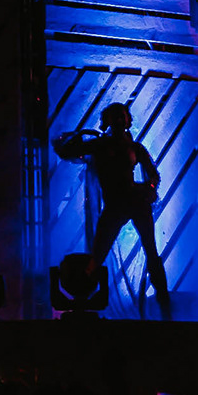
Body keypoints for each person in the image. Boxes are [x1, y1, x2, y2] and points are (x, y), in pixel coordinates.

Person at [55, 102, 174, 321]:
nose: (119, 121)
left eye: (122, 116)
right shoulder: (100, 145)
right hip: (116, 205)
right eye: (115, 117)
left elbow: (154, 175)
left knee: (150, 252)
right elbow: (65, 151)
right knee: (98, 254)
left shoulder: (135, 148)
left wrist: (149, 188)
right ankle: (82, 304)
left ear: (128, 121)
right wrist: (76, 138)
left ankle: (165, 309)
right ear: (108, 121)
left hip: (135, 202)